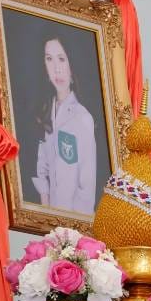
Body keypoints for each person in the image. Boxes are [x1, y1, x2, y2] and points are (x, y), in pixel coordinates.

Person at [31, 36, 97, 214]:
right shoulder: (45, 111)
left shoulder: (82, 118)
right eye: (49, 59)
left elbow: (87, 185)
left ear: (71, 62)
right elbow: (41, 167)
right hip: (49, 220)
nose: (56, 68)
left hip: (73, 228)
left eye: (61, 58)